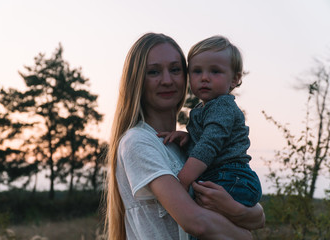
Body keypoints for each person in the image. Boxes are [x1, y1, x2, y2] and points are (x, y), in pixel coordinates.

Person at [105, 32, 265, 240]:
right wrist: (245, 235)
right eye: (153, 72)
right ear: (137, 80)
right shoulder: (137, 141)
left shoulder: (183, 147)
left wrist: (235, 210)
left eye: (175, 70)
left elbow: (259, 217)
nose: (167, 80)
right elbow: (196, 222)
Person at [159, 35, 262, 207]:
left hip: (232, 176)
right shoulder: (204, 109)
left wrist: (182, 180)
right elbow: (210, 140)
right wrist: (189, 139)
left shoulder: (222, 107)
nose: (205, 78)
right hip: (221, 175)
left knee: (201, 222)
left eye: (215, 71)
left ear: (235, 79)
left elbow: (209, 145)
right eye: (197, 71)